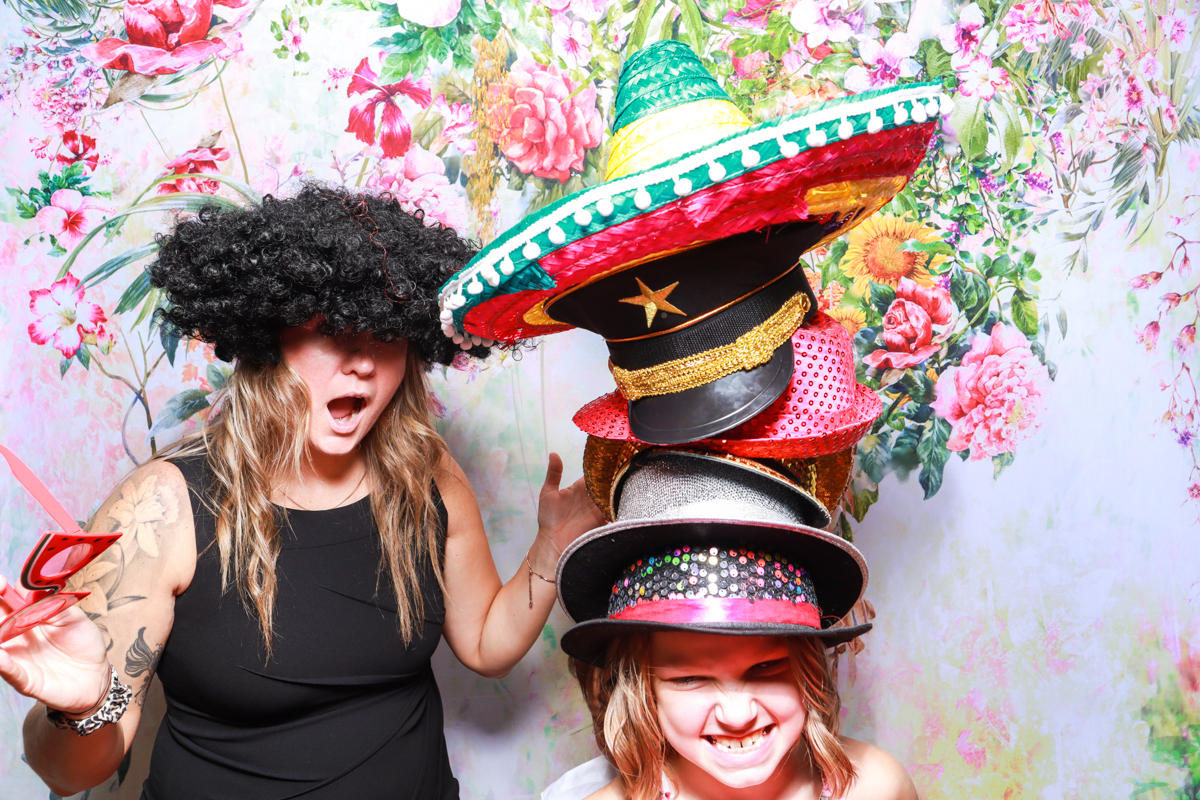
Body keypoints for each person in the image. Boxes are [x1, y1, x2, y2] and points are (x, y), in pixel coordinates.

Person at [0, 185, 604, 799]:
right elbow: (69, 771)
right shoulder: (163, 507)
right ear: (267, 339)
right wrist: (83, 707)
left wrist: (550, 548)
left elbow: (483, 643)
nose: (363, 363)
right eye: (330, 331)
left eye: (387, 334)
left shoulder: (427, 473)